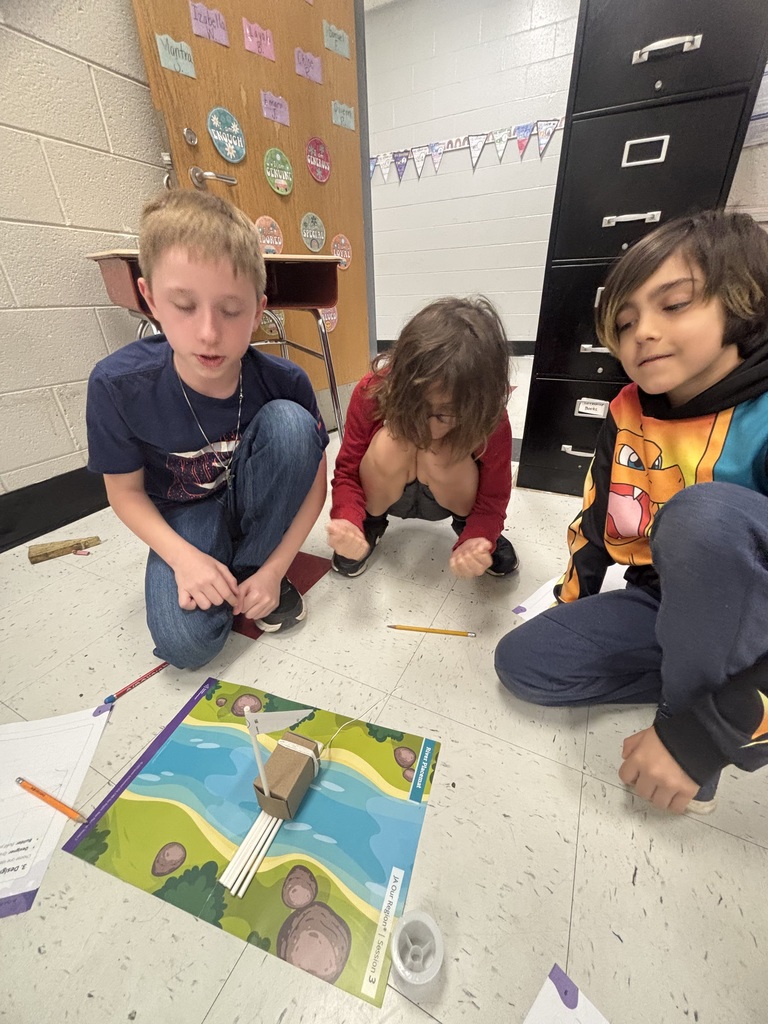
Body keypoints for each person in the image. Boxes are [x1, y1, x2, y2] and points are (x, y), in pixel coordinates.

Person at [495, 209, 768, 814]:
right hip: (664, 599)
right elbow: (596, 516)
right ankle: (704, 678)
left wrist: (700, 735)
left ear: (741, 305)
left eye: (674, 304)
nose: (641, 332)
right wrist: (572, 604)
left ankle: (700, 723)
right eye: (624, 320)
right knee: (522, 663)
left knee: (704, 519)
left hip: (757, 616)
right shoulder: (627, 409)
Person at [86, 190, 328, 669]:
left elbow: (317, 486)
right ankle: (231, 565)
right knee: (186, 646)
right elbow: (125, 494)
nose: (209, 333)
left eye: (231, 311)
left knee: (291, 423)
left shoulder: (285, 380)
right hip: (182, 516)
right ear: (150, 299)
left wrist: (275, 568)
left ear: (259, 312)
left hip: (255, 499)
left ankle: (254, 567)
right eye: (184, 305)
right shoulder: (116, 385)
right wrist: (185, 559)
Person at [328, 296, 518, 578]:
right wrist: (348, 519)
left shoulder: (490, 416)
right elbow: (347, 471)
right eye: (416, 409)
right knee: (391, 442)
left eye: (445, 416)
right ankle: (370, 524)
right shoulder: (373, 391)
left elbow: (494, 494)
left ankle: (467, 528)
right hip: (383, 491)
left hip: (453, 495)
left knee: (441, 451)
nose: (430, 429)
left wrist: (481, 536)